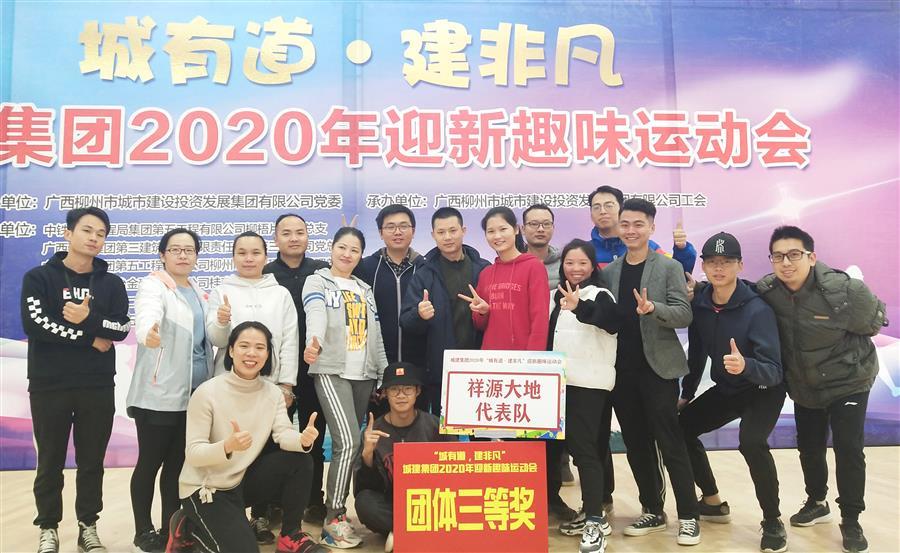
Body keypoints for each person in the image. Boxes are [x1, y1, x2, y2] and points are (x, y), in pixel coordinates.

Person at [756, 226, 886, 553]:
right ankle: (817, 502)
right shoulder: (768, 291)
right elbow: (735, 294)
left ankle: (851, 520)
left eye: (794, 254)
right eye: (778, 256)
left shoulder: (844, 290)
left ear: (812, 257)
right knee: (810, 447)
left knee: (848, 448)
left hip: (849, 381)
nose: (786, 263)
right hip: (805, 384)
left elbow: (873, 322)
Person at [21, 206, 131, 553]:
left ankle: (88, 526)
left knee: (92, 462)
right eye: (87, 230)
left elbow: (121, 328)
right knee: (50, 461)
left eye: (101, 233)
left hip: (96, 385)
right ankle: (48, 527)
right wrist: (89, 338)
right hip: (49, 384)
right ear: (68, 233)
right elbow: (37, 325)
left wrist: (88, 319)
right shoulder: (39, 278)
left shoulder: (111, 283)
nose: (94, 238)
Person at [166, 322, 325, 553]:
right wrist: (227, 446)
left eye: (260, 347)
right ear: (231, 350)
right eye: (244, 346)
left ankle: (290, 535)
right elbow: (193, 454)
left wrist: (302, 440)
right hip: (206, 489)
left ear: (268, 354)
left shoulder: (273, 393)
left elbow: (283, 433)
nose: (252, 353)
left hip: (240, 482)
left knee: (300, 461)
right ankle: (188, 529)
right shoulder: (207, 393)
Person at [678, 232, 788, 553]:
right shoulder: (700, 304)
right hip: (729, 388)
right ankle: (712, 502)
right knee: (681, 428)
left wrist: (746, 365)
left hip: (763, 389)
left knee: (751, 442)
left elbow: (775, 370)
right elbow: (697, 353)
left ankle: (772, 520)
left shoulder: (758, 309)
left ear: (740, 265)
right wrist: (686, 393)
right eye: (712, 262)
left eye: (726, 262)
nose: (719, 268)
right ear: (703, 266)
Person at [601, 198, 701, 546]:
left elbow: (684, 314)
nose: (631, 230)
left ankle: (689, 516)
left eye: (638, 224)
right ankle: (653, 510)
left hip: (658, 369)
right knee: (636, 444)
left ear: (651, 227)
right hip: (621, 371)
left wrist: (652, 308)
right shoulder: (610, 272)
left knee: (670, 442)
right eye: (625, 224)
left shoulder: (668, 267)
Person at [206, 231, 299, 543]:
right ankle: (229, 512)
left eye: (255, 252)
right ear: (233, 256)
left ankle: (260, 515)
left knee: (267, 451)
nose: (249, 259)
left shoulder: (280, 293)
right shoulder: (222, 290)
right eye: (242, 253)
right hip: (229, 388)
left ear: (265, 256)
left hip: (271, 388)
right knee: (232, 447)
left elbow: (289, 341)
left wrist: (286, 384)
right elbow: (217, 340)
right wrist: (221, 321)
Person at [127, 228, 213, 552]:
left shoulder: (199, 292)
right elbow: (148, 313)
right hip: (158, 393)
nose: (182, 255)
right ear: (162, 254)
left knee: (177, 466)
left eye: (189, 250)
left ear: (196, 256)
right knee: (150, 463)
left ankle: (170, 530)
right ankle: (143, 531)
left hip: (193, 395)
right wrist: (147, 331)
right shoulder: (154, 285)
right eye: (175, 249)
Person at [302, 227, 388, 549]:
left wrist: (382, 373)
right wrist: (314, 343)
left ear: (360, 255)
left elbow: (376, 334)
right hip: (330, 369)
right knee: (349, 440)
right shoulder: (318, 281)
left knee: (353, 446)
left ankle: (340, 513)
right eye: (342, 247)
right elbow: (315, 314)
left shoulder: (365, 289)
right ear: (332, 248)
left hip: (363, 374)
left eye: (354, 249)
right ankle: (333, 518)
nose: (347, 254)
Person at [550, 239, 620, 553]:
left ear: (593, 266)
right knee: (577, 451)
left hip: (589, 385)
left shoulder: (600, 295)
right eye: (569, 262)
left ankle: (594, 520)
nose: (575, 268)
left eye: (582, 263)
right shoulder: (558, 297)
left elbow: (610, 322)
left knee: (586, 452)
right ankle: (591, 513)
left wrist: (579, 307)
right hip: (560, 384)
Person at [263, 213, 329, 525]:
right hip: (277, 369)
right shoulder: (266, 273)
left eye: (299, 232)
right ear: (276, 239)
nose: (293, 238)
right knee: (275, 437)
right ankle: (272, 503)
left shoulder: (321, 271)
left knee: (314, 434)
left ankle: (314, 500)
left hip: (316, 367)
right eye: (286, 233)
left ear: (307, 236)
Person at [399, 207, 490, 415]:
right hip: (441, 369)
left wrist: (486, 311)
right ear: (433, 235)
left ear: (463, 231)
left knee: (480, 426)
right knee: (444, 430)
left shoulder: (483, 269)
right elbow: (405, 321)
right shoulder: (424, 273)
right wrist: (419, 315)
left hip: (480, 365)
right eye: (441, 232)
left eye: (453, 230)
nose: (447, 237)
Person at [353, 362, 450, 553]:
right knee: (364, 503)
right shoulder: (374, 432)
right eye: (394, 389)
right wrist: (367, 456)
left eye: (407, 389)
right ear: (385, 394)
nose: (401, 395)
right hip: (393, 505)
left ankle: (402, 531)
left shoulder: (434, 426)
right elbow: (365, 489)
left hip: (432, 502)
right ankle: (417, 529)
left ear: (417, 392)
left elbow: (458, 468)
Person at [461, 206, 550, 351]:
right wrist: (483, 312)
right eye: (491, 231)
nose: (497, 236)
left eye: (503, 229)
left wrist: (533, 358)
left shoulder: (534, 267)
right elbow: (479, 325)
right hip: (491, 358)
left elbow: (540, 319)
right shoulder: (486, 274)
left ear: (516, 229)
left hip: (523, 357)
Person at [355, 204, 426, 366]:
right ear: (381, 233)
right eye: (390, 227)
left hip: (418, 363)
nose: (397, 232)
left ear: (413, 231)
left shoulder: (426, 268)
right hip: (375, 361)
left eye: (403, 226)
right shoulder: (365, 267)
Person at [588, 185, 696, 273]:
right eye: (596, 207)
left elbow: (677, 274)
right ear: (591, 215)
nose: (602, 211)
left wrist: (682, 249)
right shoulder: (586, 251)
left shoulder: (648, 246)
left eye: (609, 206)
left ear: (621, 209)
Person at [522, 203, 562, 289]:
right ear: (523, 229)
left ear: (553, 228)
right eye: (534, 224)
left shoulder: (564, 261)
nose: (541, 229)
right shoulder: (513, 262)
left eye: (546, 224)